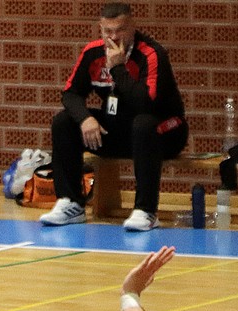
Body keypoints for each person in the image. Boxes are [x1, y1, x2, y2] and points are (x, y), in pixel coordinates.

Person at [39, 2, 187, 232]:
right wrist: (85, 119)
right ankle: (71, 203)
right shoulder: (92, 53)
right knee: (64, 122)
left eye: (120, 30)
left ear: (132, 26)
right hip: (121, 131)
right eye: (108, 31)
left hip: (163, 132)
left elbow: (145, 104)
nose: (114, 37)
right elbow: (70, 94)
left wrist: (117, 68)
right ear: (100, 29)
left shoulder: (151, 54)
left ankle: (146, 211)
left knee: (143, 123)